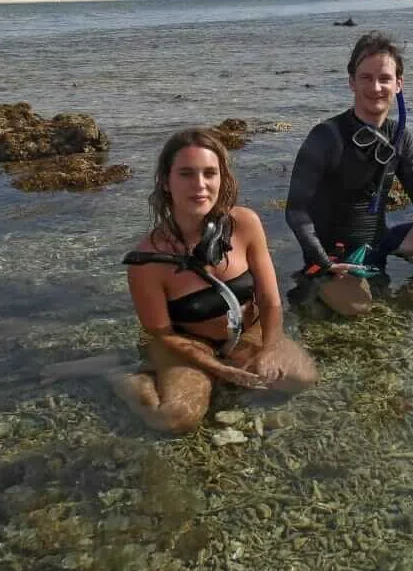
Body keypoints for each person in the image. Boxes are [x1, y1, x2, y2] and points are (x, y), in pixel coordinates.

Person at [45, 128, 317, 434]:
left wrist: (269, 348)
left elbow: (270, 300)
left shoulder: (245, 223)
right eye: (186, 174)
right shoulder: (147, 260)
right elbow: (161, 332)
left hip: (246, 333)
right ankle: (117, 373)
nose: (200, 185)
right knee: (175, 418)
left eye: (209, 173)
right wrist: (214, 367)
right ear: (166, 181)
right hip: (187, 341)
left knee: (301, 379)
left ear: (222, 179)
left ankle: (215, 375)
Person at [285, 32, 413, 292]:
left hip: (379, 240)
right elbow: (296, 211)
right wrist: (321, 260)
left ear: (398, 84)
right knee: (356, 303)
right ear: (351, 82)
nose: (375, 88)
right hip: (334, 255)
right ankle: (315, 290)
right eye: (366, 78)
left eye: (385, 79)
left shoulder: (399, 136)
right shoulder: (326, 136)